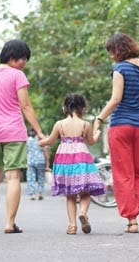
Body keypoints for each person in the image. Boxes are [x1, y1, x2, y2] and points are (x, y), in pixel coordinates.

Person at [0, 39, 45, 234]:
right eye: (23, 59)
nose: (24, 63)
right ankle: (9, 223)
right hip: (14, 132)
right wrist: (38, 132)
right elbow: (26, 106)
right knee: (13, 177)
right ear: (13, 57)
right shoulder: (17, 76)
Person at [93, 32, 139, 234]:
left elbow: (115, 99)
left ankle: (132, 220)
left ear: (118, 50)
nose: (111, 56)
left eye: (111, 52)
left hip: (121, 125)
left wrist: (98, 119)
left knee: (123, 174)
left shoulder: (119, 68)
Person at [39, 94, 105, 235]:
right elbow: (91, 141)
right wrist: (97, 134)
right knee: (85, 191)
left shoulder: (60, 124)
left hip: (65, 159)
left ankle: (72, 225)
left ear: (65, 108)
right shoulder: (86, 124)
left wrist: (41, 142)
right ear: (83, 109)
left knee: (70, 194)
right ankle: (83, 212)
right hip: (82, 157)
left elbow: (50, 141)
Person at [26, 127, 50, 200]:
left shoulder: (27, 140)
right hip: (40, 161)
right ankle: (40, 193)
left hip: (30, 161)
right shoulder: (40, 140)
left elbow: (25, 151)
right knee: (41, 177)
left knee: (31, 178)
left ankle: (33, 194)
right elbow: (45, 151)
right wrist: (47, 162)